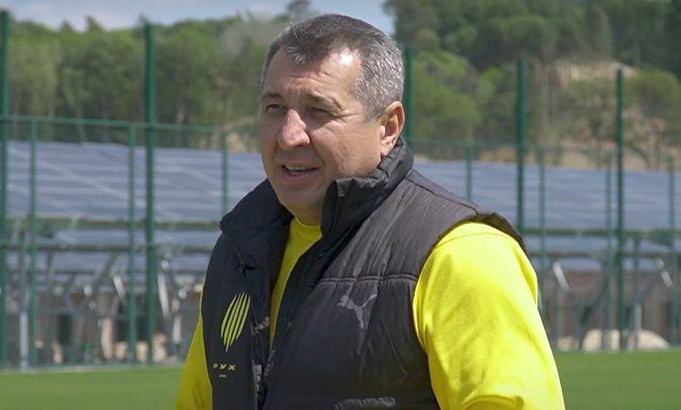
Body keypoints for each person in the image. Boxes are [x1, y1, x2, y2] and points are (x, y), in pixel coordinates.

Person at [176, 14, 564, 410]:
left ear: (388, 127)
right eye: (275, 108)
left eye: (319, 111)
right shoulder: (238, 252)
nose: (289, 135)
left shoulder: (460, 254)